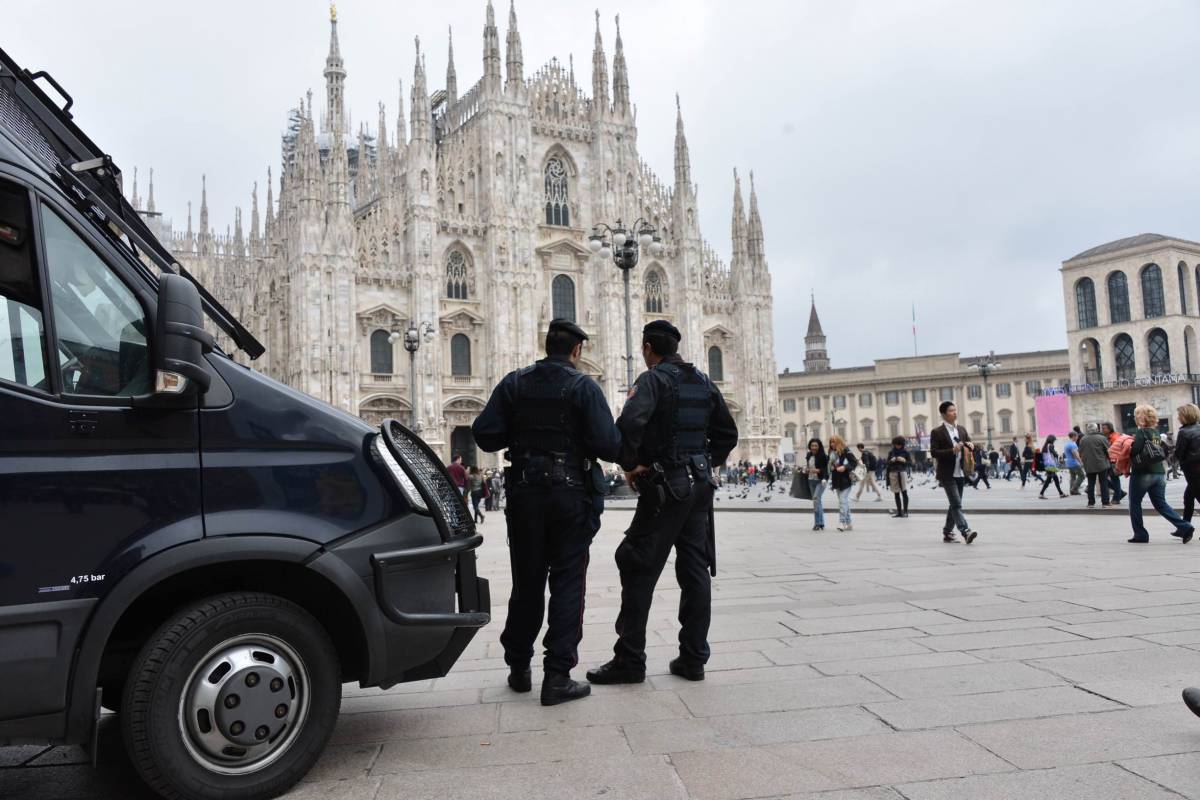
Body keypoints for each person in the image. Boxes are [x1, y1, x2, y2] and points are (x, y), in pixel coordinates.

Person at [472, 319, 622, 706]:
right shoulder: (583, 386)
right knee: (568, 583)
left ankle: (519, 668)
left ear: (547, 345)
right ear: (576, 351)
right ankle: (557, 676)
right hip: (570, 494)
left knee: (527, 583)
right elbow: (608, 445)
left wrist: (519, 431)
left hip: (525, 494)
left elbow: (485, 433)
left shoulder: (515, 383)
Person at [587, 320, 738, 686]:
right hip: (699, 488)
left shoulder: (653, 380)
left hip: (666, 487)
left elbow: (629, 424)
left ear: (647, 348)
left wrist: (631, 463)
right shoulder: (703, 382)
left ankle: (630, 659)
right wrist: (702, 462)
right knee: (695, 571)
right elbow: (727, 435)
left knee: (636, 563)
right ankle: (693, 658)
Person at [1125, 404, 1193, 544]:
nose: (1134, 417)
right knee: (1161, 504)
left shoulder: (1142, 432)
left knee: (1135, 503)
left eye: (1136, 415)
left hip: (1143, 473)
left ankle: (1140, 534)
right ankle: (1185, 526)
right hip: (1158, 473)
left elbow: (1135, 451)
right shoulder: (1156, 433)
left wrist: (1127, 446)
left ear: (1140, 417)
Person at [929, 401, 979, 544]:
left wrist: (971, 445)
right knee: (956, 503)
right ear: (944, 414)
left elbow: (970, 444)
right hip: (947, 473)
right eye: (951, 411)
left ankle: (947, 532)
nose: (955, 413)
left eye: (955, 410)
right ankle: (965, 531)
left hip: (961, 472)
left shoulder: (961, 430)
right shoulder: (937, 432)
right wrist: (952, 450)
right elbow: (934, 452)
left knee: (954, 504)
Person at [1079, 422, 1113, 508]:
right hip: (1102, 464)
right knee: (1104, 483)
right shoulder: (1102, 438)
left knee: (1091, 484)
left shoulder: (1083, 439)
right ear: (1096, 429)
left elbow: (1080, 452)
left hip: (1089, 465)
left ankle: (1091, 503)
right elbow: (1108, 450)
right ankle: (1105, 502)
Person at [827, 435, 858, 530]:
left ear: (839, 442)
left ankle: (842, 522)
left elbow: (854, 462)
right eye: (831, 442)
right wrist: (831, 468)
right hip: (836, 480)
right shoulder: (831, 453)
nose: (832, 444)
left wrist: (845, 467)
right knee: (844, 502)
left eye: (834, 442)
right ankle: (849, 523)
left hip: (846, 480)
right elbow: (831, 465)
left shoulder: (846, 451)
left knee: (842, 501)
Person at [1177, 404, 1200, 523]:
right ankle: (1184, 527)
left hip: (1192, 470)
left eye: (1179, 415)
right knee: (1188, 497)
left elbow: (1179, 453)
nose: (1178, 418)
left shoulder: (1184, 432)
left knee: (1195, 496)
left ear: (1185, 416)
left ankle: (1185, 528)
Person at [1102, 421, 1130, 503]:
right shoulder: (1107, 437)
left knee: (1114, 478)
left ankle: (1116, 498)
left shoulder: (1115, 437)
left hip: (1114, 461)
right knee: (1104, 479)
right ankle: (1119, 493)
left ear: (1109, 429)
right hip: (1108, 460)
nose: (1102, 430)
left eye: (1104, 428)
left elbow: (1118, 449)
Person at [805, 438, 829, 530]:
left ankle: (817, 523)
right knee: (817, 502)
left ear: (819, 446)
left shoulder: (823, 456)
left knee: (815, 500)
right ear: (810, 447)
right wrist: (807, 470)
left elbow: (826, 470)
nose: (814, 447)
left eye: (815, 446)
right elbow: (809, 467)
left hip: (820, 481)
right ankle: (821, 522)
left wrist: (817, 470)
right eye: (812, 446)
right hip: (811, 480)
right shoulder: (809, 455)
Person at [885, 435, 912, 517]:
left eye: (899, 444)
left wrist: (904, 460)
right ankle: (899, 512)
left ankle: (906, 511)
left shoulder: (905, 452)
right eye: (896, 444)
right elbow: (887, 463)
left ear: (902, 444)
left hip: (902, 472)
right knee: (896, 493)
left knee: (904, 492)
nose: (897, 446)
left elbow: (910, 463)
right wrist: (891, 460)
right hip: (893, 473)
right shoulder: (891, 452)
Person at [1038, 435, 1067, 499]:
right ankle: (1041, 494)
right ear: (1052, 440)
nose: (1054, 441)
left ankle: (1060, 493)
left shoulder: (1045, 446)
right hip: (1051, 464)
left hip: (1046, 464)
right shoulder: (1050, 445)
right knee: (1051, 478)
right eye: (1054, 440)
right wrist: (1058, 455)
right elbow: (1054, 453)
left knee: (1053, 478)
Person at [1064, 431, 1085, 495]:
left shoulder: (1067, 444)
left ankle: (1072, 491)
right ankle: (1074, 488)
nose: (1077, 438)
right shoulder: (1072, 444)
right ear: (1074, 436)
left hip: (1068, 463)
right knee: (1082, 475)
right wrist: (1081, 462)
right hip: (1074, 463)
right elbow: (1075, 454)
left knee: (1073, 476)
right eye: (1077, 436)